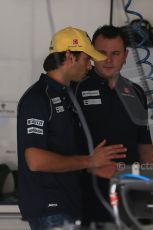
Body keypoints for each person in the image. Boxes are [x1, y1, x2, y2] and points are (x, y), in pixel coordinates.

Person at [17, 26, 127, 230]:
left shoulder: (66, 95)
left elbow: (65, 151)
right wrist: (89, 160)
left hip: (70, 205)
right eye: (87, 59)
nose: (90, 66)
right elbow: (34, 160)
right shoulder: (38, 98)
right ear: (69, 56)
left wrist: (92, 166)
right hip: (50, 209)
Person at [74, 25, 153, 225]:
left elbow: (145, 146)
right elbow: (61, 143)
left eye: (115, 53)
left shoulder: (135, 92)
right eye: (102, 53)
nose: (109, 60)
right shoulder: (75, 88)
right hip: (87, 196)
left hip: (130, 196)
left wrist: (152, 186)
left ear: (126, 55)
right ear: (92, 53)